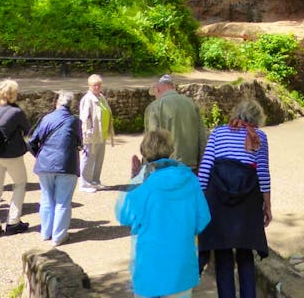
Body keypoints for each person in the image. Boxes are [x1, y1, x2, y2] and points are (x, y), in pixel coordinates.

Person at [116, 128, 211, 298]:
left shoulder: (141, 182)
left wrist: (133, 179)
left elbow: (123, 216)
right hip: (182, 263)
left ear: (144, 152)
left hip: (148, 264)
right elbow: (203, 219)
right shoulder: (190, 179)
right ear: (170, 150)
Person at [198, 99, 272, 298]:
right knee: (245, 253)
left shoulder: (218, 133)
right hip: (248, 202)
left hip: (218, 200)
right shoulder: (260, 137)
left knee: (222, 254)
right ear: (257, 118)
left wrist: (199, 201)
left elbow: (205, 169)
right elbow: (263, 174)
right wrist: (267, 205)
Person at [28, 90, 82, 247]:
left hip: (45, 164)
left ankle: (46, 233)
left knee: (46, 199)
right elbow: (79, 142)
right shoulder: (74, 121)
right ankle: (58, 236)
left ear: (57, 103)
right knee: (62, 201)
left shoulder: (46, 118)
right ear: (71, 105)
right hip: (66, 164)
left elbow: (32, 142)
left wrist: (41, 157)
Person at [0, 78, 31, 238]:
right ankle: (13, 221)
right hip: (11, 154)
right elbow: (28, 129)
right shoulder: (16, 112)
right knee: (19, 184)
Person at [144, 74, 207, 172]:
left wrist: (147, 171)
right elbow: (202, 137)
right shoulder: (191, 104)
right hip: (191, 167)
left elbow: (152, 142)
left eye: (154, 94)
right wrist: (202, 166)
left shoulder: (154, 107)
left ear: (157, 89)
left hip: (166, 169)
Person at [79, 74, 115, 192]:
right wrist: (87, 133)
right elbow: (84, 118)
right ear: (89, 86)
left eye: (99, 85)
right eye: (95, 85)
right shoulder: (87, 99)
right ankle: (84, 184)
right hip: (91, 135)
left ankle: (95, 181)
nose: (97, 87)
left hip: (101, 134)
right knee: (88, 159)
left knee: (98, 159)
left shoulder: (101, 97)